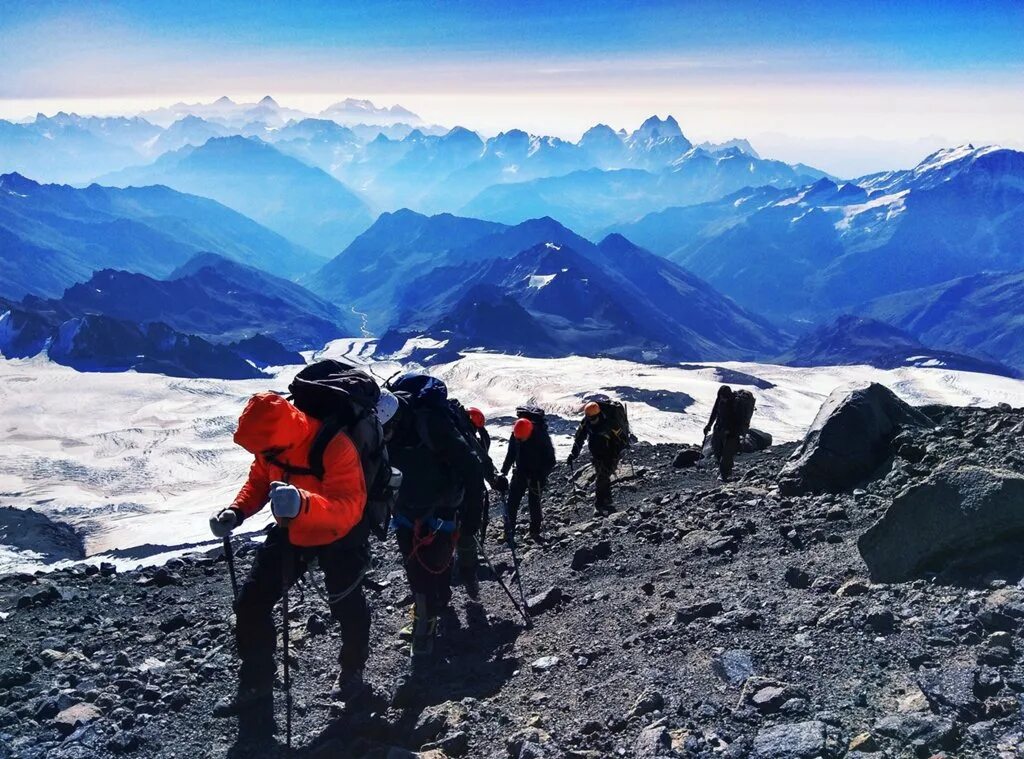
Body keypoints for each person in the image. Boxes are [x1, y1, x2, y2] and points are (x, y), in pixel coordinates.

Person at [208, 391, 381, 725]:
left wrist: (302, 503)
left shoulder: (334, 445)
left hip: (339, 534)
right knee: (251, 603)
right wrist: (237, 511)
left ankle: (352, 672)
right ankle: (256, 683)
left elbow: (350, 507)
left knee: (347, 605)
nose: (262, 455)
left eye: (265, 450)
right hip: (293, 529)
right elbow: (259, 480)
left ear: (281, 436)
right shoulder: (271, 445)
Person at [384, 373, 484, 665]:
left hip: (437, 506)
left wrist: (470, 524)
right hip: (417, 507)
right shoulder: (392, 427)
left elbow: (470, 468)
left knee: (433, 564)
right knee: (421, 566)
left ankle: (430, 616)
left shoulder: (432, 424)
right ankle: (429, 614)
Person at [452, 404, 506, 593]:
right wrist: (494, 480)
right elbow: (481, 461)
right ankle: (467, 565)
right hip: (468, 490)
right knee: (469, 526)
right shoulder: (469, 437)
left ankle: (450, 563)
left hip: (448, 490)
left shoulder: (452, 432)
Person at [500, 407, 556, 542]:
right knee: (512, 503)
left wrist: (541, 475)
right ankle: (508, 532)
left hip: (537, 476)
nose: (520, 441)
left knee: (534, 503)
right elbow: (511, 454)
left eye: (522, 439)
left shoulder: (541, 436)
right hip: (520, 472)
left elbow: (551, 460)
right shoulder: (517, 434)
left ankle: (535, 531)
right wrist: (503, 472)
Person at [567, 400, 629, 515]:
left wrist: (618, 451)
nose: (589, 419)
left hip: (611, 454)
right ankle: (607, 501)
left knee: (602, 477)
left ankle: (600, 504)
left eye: (591, 417)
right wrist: (573, 454)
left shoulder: (610, 423)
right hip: (597, 454)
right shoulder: (587, 422)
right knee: (603, 477)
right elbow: (579, 438)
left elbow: (622, 438)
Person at [704, 385, 740, 481]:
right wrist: (709, 425)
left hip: (731, 432)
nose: (722, 399)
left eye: (723, 397)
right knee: (716, 448)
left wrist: (730, 430)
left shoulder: (734, 403)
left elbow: (736, 419)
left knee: (727, 453)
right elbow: (715, 412)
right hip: (719, 428)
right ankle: (724, 471)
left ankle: (725, 474)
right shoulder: (720, 399)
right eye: (720, 397)